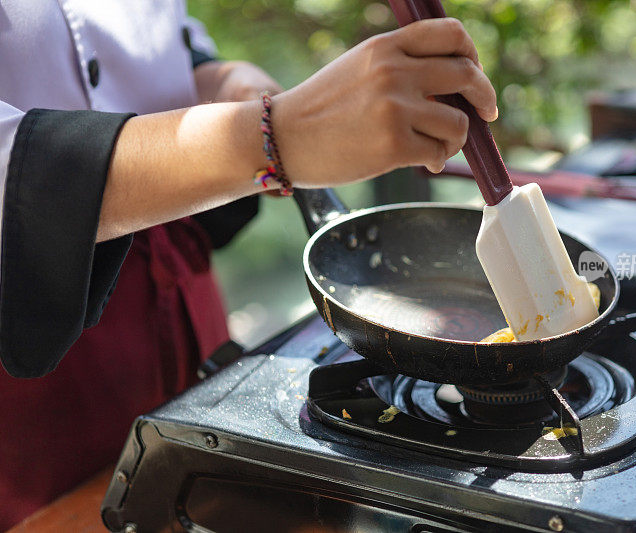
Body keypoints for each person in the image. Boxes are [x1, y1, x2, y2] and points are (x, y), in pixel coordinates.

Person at [0, 0, 497, 528]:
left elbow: (155, 46)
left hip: (174, 269)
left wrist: (225, 80)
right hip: (35, 344)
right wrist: (273, 136)